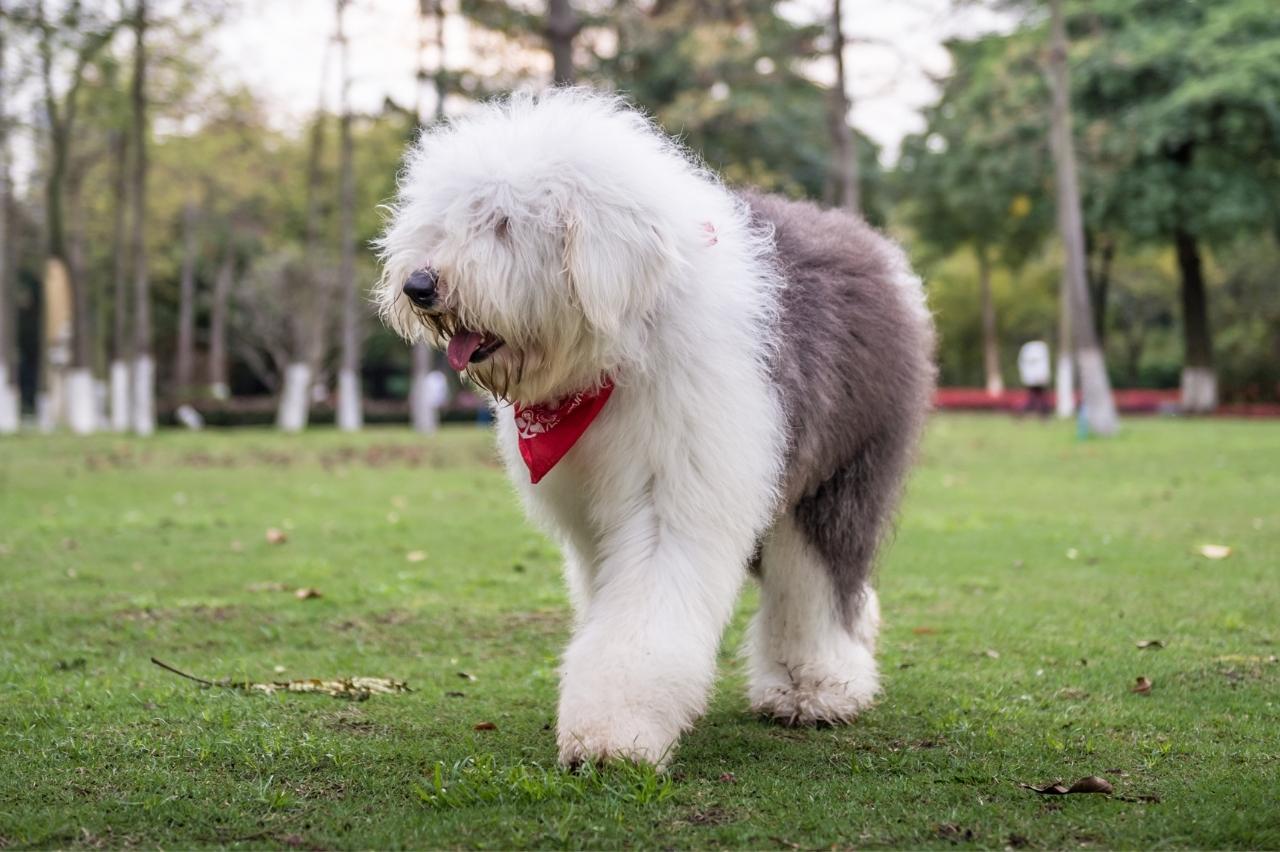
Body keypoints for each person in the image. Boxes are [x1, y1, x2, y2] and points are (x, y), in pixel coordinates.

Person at [1018, 340, 1052, 417]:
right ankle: (1042, 413)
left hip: (1033, 379)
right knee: (1037, 397)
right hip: (1035, 379)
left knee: (1037, 397)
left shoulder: (1029, 350)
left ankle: (1041, 413)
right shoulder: (1039, 349)